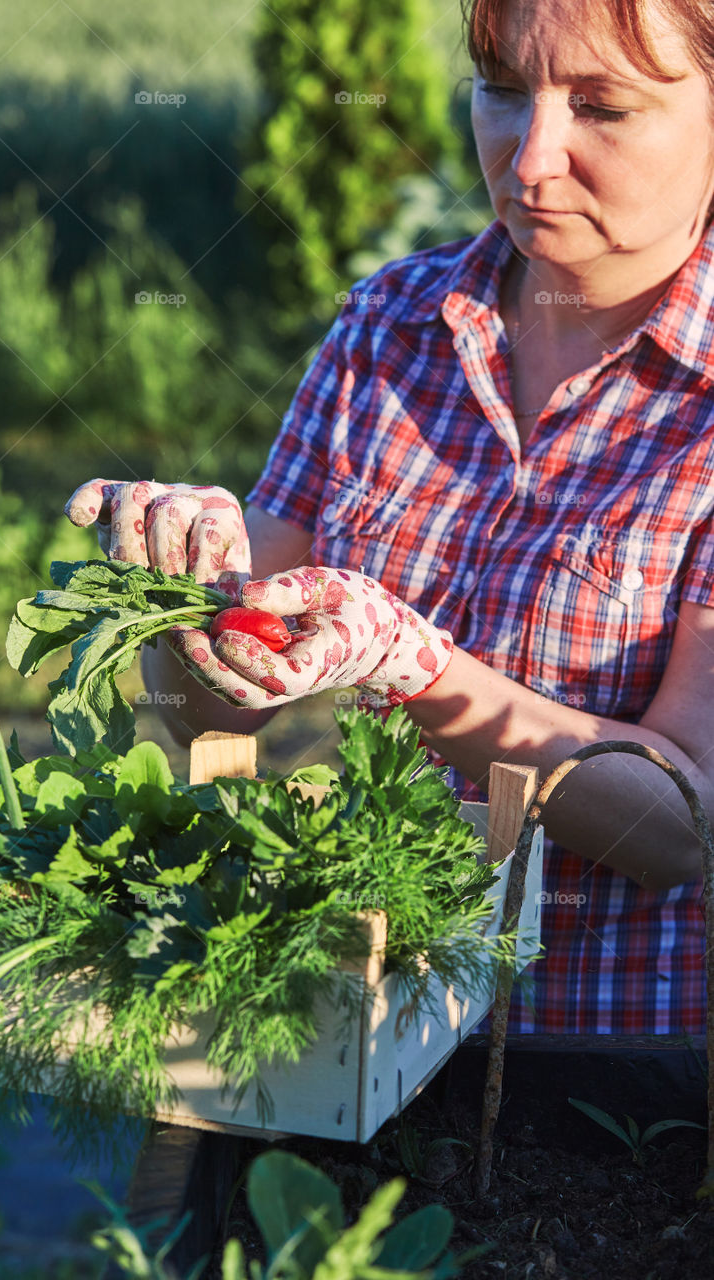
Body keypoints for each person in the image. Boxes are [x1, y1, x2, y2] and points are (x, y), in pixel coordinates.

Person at [65, 0, 714, 1037]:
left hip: (621, 1073)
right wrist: (184, 596)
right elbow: (211, 718)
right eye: (503, 91)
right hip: (364, 1019)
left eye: (602, 106)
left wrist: (413, 665)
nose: (531, 158)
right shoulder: (393, 326)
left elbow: (684, 823)